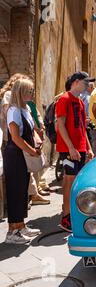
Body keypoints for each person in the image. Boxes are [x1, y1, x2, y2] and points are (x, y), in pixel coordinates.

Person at [56, 72, 95, 232]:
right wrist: (71, 147)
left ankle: (74, 215)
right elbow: (60, 125)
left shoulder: (79, 101)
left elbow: (82, 128)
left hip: (80, 149)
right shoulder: (64, 99)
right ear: (76, 81)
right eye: (86, 82)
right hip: (69, 149)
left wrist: (89, 148)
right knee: (70, 181)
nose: (88, 85)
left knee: (77, 183)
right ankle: (66, 218)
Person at [4, 78, 42, 244]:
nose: (32, 93)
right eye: (29, 90)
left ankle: (20, 226)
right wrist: (32, 151)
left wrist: (37, 140)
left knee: (22, 191)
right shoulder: (13, 110)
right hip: (15, 156)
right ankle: (12, 232)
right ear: (20, 92)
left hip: (22, 155)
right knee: (15, 192)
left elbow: (30, 130)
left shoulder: (25, 108)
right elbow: (15, 137)